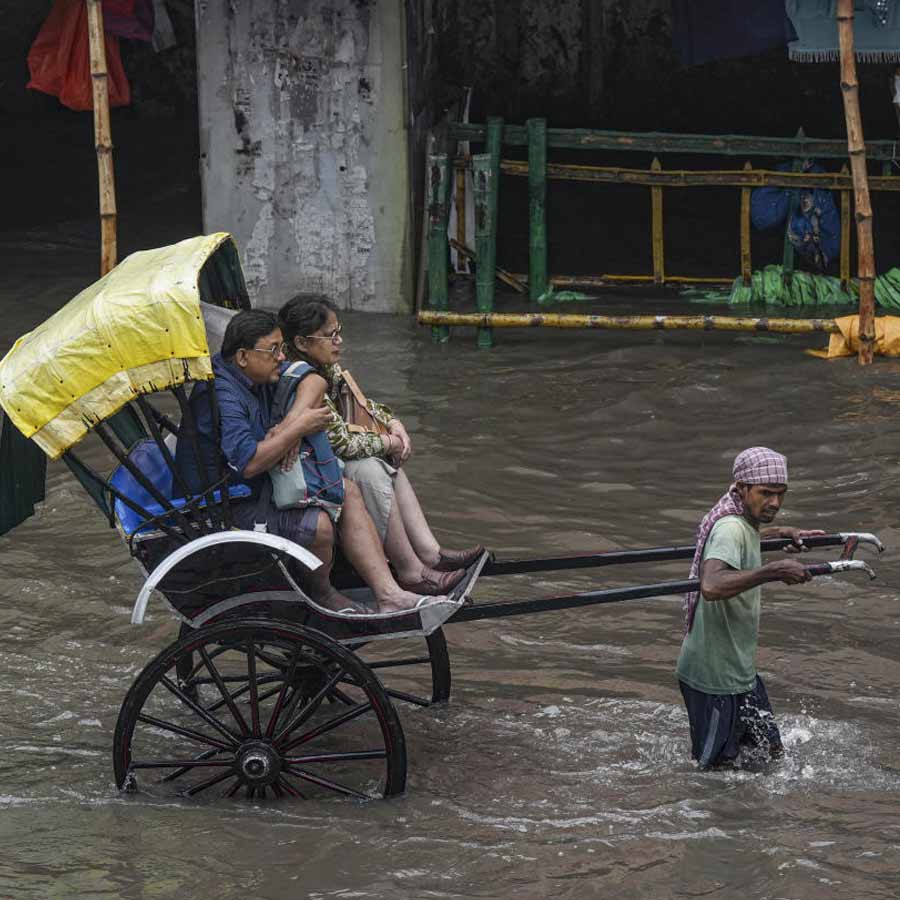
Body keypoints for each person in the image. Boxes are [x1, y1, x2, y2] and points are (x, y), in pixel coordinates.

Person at [175, 309, 443, 615]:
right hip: (226, 502)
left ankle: (389, 593)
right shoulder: (223, 394)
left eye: (281, 348)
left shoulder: (257, 371)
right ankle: (322, 591)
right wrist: (298, 429)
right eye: (272, 350)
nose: (280, 357)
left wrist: (290, 423)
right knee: (320, 526)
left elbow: (312, 380)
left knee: (348, 491)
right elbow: (249, 463)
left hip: (254, 486)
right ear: (242, 356)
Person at [277, 294, 484, 594]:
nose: (339, 341)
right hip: (308, 469)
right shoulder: (301, 378)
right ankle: (410, 571)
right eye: (329, 336)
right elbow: (343, 443)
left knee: (382, 463)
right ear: (301, 343)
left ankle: (430, 554)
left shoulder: (326, 369)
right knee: (371, 469)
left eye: (339, 332)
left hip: (324, 460)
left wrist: (393, 423)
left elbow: (364, 403)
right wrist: (390, 443)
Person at [676, 447, 824, 770]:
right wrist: (774, 571)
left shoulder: (742, 524)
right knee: (714, 775)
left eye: (780, 494)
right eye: (766, 493)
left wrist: (782, 533)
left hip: (740, 673)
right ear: (741, 488)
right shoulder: (729, 528)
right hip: (713, 679)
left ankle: (754, 822)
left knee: (771, 760)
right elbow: (712, 585)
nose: (774, 502)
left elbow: (746, 535)